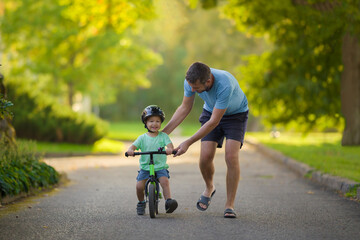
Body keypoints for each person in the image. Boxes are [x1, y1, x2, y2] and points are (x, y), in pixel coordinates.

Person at [162, 62, 248, 218]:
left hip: (235, 116)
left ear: (208, 81)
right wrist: (163, 134)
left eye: (196, 88)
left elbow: (215, 122)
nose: (192, 90)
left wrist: (187, 142)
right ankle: (209, 188)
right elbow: (184, 108)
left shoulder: (224, 84)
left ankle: (229, 205)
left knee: (231, 156)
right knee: (205, 157)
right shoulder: (190, 81)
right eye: (191, 87)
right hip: (210, 111)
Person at [126, 105, 178, 215]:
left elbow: (170, 145)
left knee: (165, 182)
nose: (154, 124)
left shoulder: (163, 136)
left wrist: (169, 149)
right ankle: (141, 202)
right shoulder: (142, 138)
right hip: (145, 167)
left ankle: (169, 201)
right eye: (151, 121)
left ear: (161, 122)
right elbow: (133, 147)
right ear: (145, 123)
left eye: (157, 121)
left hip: (160, 166)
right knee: (139, 186)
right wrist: (130, 150)